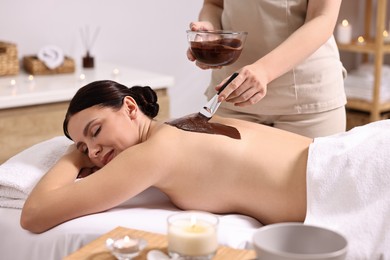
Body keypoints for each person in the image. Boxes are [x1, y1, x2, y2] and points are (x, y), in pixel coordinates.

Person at [20, 81, 389, 259]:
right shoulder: (182, 125)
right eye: (84, 146)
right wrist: (84, 147)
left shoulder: (153, 153)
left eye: (95, 131)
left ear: (130, 108)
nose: (94, 151)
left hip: (348, 176)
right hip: (351, 155)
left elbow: (34, 216)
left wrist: (70, 156)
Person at [187, 0, 347, 138]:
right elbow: (214, 4)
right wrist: (210, 33)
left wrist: (264, 71)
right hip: (232, 96)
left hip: (306, 103)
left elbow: (322, 17)